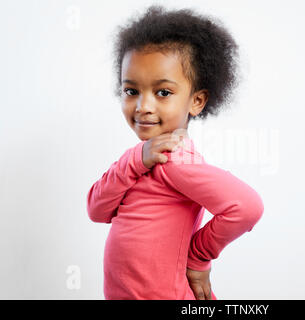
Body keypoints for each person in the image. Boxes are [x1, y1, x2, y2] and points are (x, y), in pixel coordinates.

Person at [86, 5, 264, 300]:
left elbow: (247, 207)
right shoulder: (140, 158)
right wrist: (135, 161)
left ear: (196, 101)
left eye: (163, 92)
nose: (143, 106)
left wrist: (198, 257)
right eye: (131, 91)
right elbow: (96, 209)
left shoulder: (174, 162)